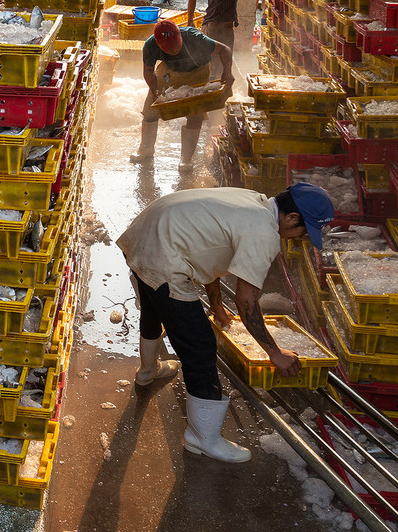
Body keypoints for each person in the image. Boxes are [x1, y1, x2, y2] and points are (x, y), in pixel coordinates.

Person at [116, 183, 335, 463]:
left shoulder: (253, 200)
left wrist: (217, 306)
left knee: (153, 306)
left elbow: (209, 255)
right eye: (304, 231)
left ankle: (147, 372)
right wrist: (275, 353)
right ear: (292, 217)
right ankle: (203, 438)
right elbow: (246, 302)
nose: (301, 238)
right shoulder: (263, 233)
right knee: (200, 345)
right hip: (162, 252)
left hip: (143, 233)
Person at [130, 20, 233, 171]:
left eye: (176, 45)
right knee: (150, 110)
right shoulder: (150, 45)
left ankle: (186, 158)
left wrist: (227, 71)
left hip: (197, 71)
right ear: (159, 44)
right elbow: (148, 71)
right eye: (168, 48)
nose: (173, 50)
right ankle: (145, 149)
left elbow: (224, 49)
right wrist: (154, 91)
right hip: (168, 72)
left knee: (195, 114)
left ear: (180, 36)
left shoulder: (194, 37)